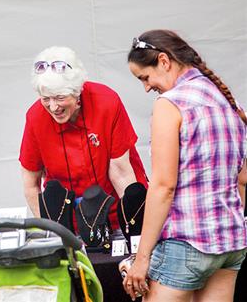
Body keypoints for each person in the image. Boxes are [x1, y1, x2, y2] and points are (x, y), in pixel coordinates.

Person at [123, 29, 247, 302]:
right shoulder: (228, 102)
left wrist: (141, 260)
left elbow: (163, 186)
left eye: (145, 77)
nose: (146, 87)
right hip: (231, 242)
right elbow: (242, 179)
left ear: (164, 61)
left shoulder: (170, 104)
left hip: (186, 242)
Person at [19, 46, 148, 233]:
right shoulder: (35, 117)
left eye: (60, 97)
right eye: (45, 98)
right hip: (68, 221)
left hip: (114, 214)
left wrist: (134, 228)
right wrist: (53, 232)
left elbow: (120, 172)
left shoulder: (106, 102)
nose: (53, 107)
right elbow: (30, 183)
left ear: (77, 92)